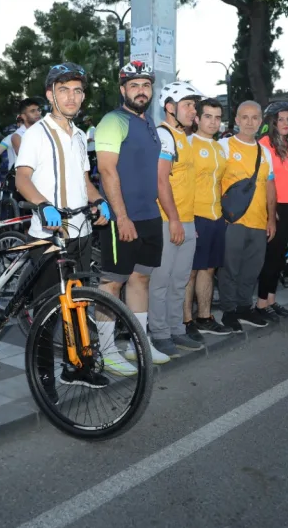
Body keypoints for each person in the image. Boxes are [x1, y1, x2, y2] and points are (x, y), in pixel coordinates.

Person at [14, 62, 113, 385]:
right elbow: (22, 178)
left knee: (78, 304)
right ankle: (44, 378)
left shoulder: (81, 136)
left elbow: (84, 180)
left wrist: (98, 200)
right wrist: (43, 205)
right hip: (48, 236)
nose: (71, 97)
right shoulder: (36, 133)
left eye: (77, 91)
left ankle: (78, 367)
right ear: (50, 95)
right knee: (46, 314)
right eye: (64, 91)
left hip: (80, 233)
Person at [95, 61, 167, 364]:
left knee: (141, 279)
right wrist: (121, 216)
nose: (141, 91)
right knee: (112, 283)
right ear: (123, 89)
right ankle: (107, 350)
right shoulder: (113, 121)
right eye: (134, 85)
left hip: (150, 214)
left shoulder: (149, 122)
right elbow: (107, 171)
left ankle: (139, 344)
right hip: (123, 217)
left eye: (146, 85)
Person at [149, 80, 203, 356]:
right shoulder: (164, 135)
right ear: (170, 108)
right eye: (188, 105)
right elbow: (161, 181)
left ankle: (176, 330)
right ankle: (158, 333)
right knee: (161, 280)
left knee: (180, 279)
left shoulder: (184, 138)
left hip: (186, 220)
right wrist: (173, 220)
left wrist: (188, 223)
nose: (194, 110)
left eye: (194, 105)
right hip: (167, 220)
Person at [216, 101, 275, 333]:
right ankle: (229, 312)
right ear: (237, 120)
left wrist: (271, 219)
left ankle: (244, 307)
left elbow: (270, 187)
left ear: (260, 122)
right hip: (232, 220)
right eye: (245, 117)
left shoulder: (265, 151)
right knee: (229, 268)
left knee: (252, 268)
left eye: (255, 118)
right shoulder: (223, 146)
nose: (250, 122)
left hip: (259, 221)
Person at [183, 98, 231, 340]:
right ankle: (186, 321)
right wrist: (188, 220)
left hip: (216, 217)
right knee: (189, 271)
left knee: (208, 269)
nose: (213, 121)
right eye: (208, 116)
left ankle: (204, 317)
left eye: (217, 117)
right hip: (194, 217)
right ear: (197, 118)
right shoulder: (188, 144)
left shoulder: (219, 147)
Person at [256, 102, 288, 320]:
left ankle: (272, 301)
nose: (285, 123)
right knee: (270, 257)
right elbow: (264, 179)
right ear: (272, 122)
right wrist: (270, 210)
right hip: (270, 207)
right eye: (280, 119)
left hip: (286, 206)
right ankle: (261, 304)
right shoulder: (265, 144)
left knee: (279, 258)